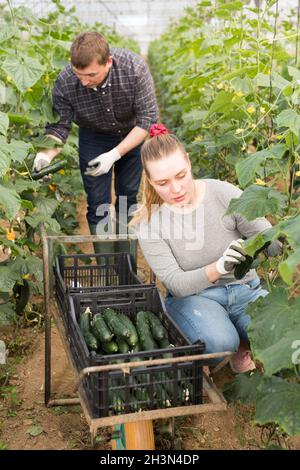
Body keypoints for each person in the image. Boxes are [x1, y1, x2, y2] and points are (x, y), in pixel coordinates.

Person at [131, 124, 282, 373]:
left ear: (189, 163)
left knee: (283, 333)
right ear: (149, 180)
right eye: (163, 182)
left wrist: (272, 233)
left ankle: (244, 340)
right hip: (195, 299)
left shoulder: (223, 193)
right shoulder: (149, 222)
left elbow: (272, 246)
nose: (176, 189)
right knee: (219, 343)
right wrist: (219, 266)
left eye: (181, 176)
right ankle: (222, 345)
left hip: (246, 291)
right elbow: (176, 284)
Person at [33, 31, 158, 253]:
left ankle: (125, 264)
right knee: (97, 201)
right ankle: (107, 269)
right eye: (78, 74)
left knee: (127, 195)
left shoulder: (134, 69)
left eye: (91, 75)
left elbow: (147, 119)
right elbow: (60, 127)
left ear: (108, 62)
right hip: (94, 136)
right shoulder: (65, 82)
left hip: (132, 134)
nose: (84, 81)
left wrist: (114, 154)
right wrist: (45, 155)